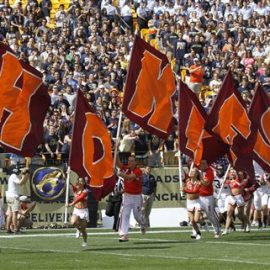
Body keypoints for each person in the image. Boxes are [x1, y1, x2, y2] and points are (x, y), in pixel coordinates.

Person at [117, 155, 145, 242]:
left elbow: (129, 177)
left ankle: (142, 224)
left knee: (137, 216)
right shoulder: (126, 168)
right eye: (129, 161)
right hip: (127, 196)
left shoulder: (138, 171)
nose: (130, 162)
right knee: (125, 215)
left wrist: (119, 174)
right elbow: (118, 163)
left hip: (137, 197)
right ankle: (124, 234)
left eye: (132, 161)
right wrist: (117, 152)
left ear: (135, 162)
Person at [222, 169, 251, 235]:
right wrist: (224, 183)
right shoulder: (228, 181)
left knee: (240, 214)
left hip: (239, 197)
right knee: (229, 213)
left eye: (233, 172)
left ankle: (248, 223)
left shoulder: (239, 180)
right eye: (231, 172)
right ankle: (226, 229)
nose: (232, 173)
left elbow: (242, 184)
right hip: (232, 198)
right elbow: (225, 188)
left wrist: (237, 181)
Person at [199, 159, 221, 238]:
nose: (202, 165)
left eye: (204, 163)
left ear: (207, 164)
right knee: (195, 214)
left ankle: (217, 230)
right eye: (201, 163)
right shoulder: (199, 171)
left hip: (207, 197)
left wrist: (200, 178)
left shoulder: (209, 172)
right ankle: (199, 228)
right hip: (199, 196)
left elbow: (206, 183)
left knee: (210, 215)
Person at [5, 166, 30, 233]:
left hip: (10, 196)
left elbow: (23, 182)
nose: (21, 172)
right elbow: (20, 183)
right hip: (13, 196)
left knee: (10, 213)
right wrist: (24, 173)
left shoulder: (13, 176)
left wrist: (27, 174)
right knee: (14, 213)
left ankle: (8, 229)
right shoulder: (14, 176)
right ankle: (16, 229)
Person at [66, 177, 89, 247]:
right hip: (76, 210)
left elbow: (79, 198)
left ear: (84, 183)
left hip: (84, 211)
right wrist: (67, 177)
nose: (80, 182)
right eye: (79, 181)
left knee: (83, 228)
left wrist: (71, 204)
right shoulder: (75, 189)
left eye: (82, 181)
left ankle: (85, 241)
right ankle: (78, 230)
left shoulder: (86, 191)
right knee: (73, 222)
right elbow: (69, 184)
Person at [183, 167, 202, 240]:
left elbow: (195, 191)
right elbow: (183, 174)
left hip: (196, 202)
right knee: (192, 221)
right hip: (189, 202)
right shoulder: (187, 181)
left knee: (196, 220)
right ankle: (198, 232)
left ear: (197, 174)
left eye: (193, 172)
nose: (191, 173)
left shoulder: (199, 182)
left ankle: (202, 221)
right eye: (191, 171)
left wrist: (185, 190)